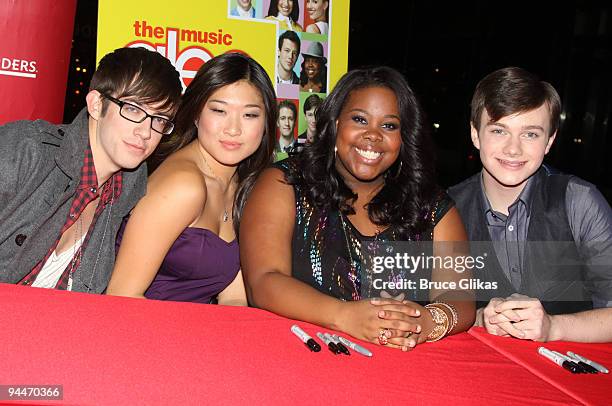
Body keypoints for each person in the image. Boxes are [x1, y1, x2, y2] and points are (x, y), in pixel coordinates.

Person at [241, 66, 475, 351]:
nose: (373, 135)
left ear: (404, 137)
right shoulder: (286, 183)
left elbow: (460, 298)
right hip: (301, 359)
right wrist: (343, 316)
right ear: (337, 123)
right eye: (360, 119)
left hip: (401, 372)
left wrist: (425, 321)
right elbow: (263, 282)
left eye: (389, 126)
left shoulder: (430, 205)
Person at [448, 67, 612, 343]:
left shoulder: (579, 202)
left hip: (570, 374)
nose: (514, 149)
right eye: (499, 130)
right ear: (476, 134)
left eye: (530, 134)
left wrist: (554, 327)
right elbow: (437, 307)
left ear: (549, 141)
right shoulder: (447, 208)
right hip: (478, 372)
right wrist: (479, 318)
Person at [0, 47, 182, 293]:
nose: (146, 132)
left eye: (159, 119)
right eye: (133, 109)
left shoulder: (128, 194)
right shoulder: (24, 150)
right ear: (96, 104)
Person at [106, 53, 277, 305]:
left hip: (198, 333)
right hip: (142, 332)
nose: (233, 129)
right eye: (219, 110)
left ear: (265, 125)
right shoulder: (184, 185)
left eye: (249, 115)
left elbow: (234, 298)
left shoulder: (243, 185)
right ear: (196, 114)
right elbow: (122, 295)